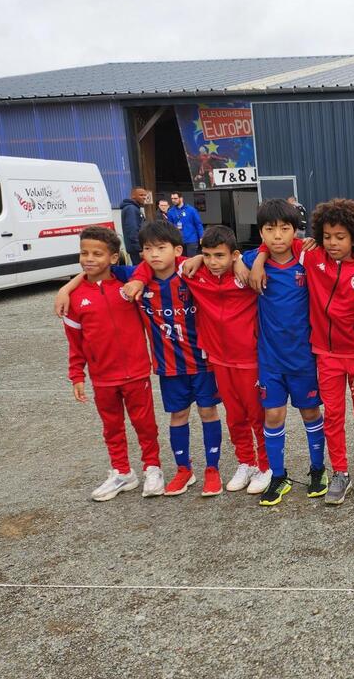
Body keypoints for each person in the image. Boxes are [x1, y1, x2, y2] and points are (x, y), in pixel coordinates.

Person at [55, 220, 224, 496]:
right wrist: (66, 289)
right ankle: (184, 470)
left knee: (208, 412)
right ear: (141, 252)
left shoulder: (191, 270)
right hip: (168, 365)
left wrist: (198, 258)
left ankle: (212, 470)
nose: (154, 254)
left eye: (161, 248)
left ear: (176, 250)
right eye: (148, 249)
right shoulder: (132, 276)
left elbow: (221, 259)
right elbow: (94, 272)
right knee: (178, 415)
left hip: (203, 361)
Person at [252, 198, 354, 505]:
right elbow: (277, 241)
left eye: (340, 237)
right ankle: (340, 472)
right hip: (325, 355)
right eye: (327, 236)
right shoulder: (310, 257)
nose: (332, 243)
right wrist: (258, 259)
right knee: (333, 416)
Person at [60, 226, 164, 501]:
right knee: (112, 427)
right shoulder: (74, 298)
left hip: (136, 372)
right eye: (84, 253)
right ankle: (122, 472)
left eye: (97, 253)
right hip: (103, 377)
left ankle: (153, 468)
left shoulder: (128, 286)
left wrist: (138, 283)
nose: (89, 259)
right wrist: (76, 375)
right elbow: (75, 342)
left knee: (145, 425)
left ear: (113, 258)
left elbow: (150, 265)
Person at [168, 226, 271, 494]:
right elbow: (160, 262)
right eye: (207, 255)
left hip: (249, 358)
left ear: (233, 254)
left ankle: (266, 465)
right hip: (218, 359)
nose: (213, 262)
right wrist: (197, 258)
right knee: (235, 416)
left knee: (256, 415)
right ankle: (246, 462)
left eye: (219, 256)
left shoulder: (245, 274)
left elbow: (272, 248)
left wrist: (240, 262)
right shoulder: (196, 273)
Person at [243, 199, 326, 506]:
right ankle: (278, 476)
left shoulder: (307, 256)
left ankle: (318, 469)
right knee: (273, 414)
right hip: (271, 359)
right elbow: (234, 258)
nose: (277, 236)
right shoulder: (253, 259)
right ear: (261, 233)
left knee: (310, 413)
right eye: (269, 229)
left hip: (303, 357)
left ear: (295, 230)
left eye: (284, 228)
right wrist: (256, 261)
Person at [168, 192, 205, 257]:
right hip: (178, 240)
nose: (173, 200)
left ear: (181, 198)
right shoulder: (170, 211)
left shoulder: (191, 210)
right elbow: (170, 227)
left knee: (191, 259)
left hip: (191, 239)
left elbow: (198, 224)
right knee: (181, 259)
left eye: (175, 198)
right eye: (172, 198)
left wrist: (201, 236)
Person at [119, 187, 149, 265]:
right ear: (133, 196)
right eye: (141, 195)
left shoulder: (135, 208)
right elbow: (132, 230)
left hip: (138, 248)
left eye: (145, 195)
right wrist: (139, 249)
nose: (144, 197)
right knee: (141, 269)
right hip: (137, 250)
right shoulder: (131, 209)